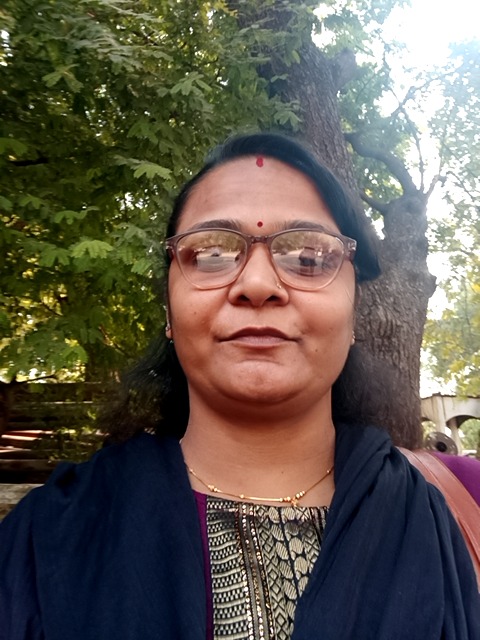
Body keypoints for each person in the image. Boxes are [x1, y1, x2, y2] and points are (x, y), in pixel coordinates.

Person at [0, 133, 478, 640]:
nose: (257, 285)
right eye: (211, 252)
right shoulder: (42, 540)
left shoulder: (465, 502)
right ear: (169, 311)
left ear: (353, 312)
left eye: (309, 256)